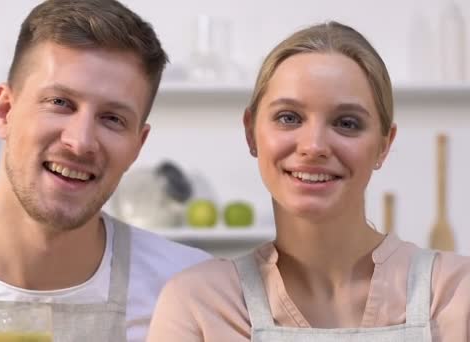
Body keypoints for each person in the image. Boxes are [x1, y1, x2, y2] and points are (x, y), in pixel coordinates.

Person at [0, 0, 211, 341]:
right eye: (59, 102)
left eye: (113, 119)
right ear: (4, 111)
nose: (80, 141)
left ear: (138, 145)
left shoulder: (190, 291)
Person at [147, 21, 470, 341]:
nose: (313, 146)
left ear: (383, 146)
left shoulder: (456, 293)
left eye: (347, 123)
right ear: (251, 132)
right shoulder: (200, 303)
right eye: (289, 118)